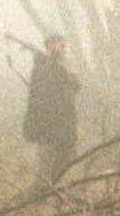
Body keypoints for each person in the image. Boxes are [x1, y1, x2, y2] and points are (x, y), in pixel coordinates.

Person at [23, 34, 80, 189]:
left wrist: (68, 73)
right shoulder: (41, 67)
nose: (58, 48)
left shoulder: (66, 66)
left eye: (61, 45)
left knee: (67, 157)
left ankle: (51, 190)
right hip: (46, 123)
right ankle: (39, 194)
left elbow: (76, 86)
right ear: (48, 47)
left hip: (65, 122)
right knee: (45, 162)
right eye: (54, 45)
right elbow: (36, 96)